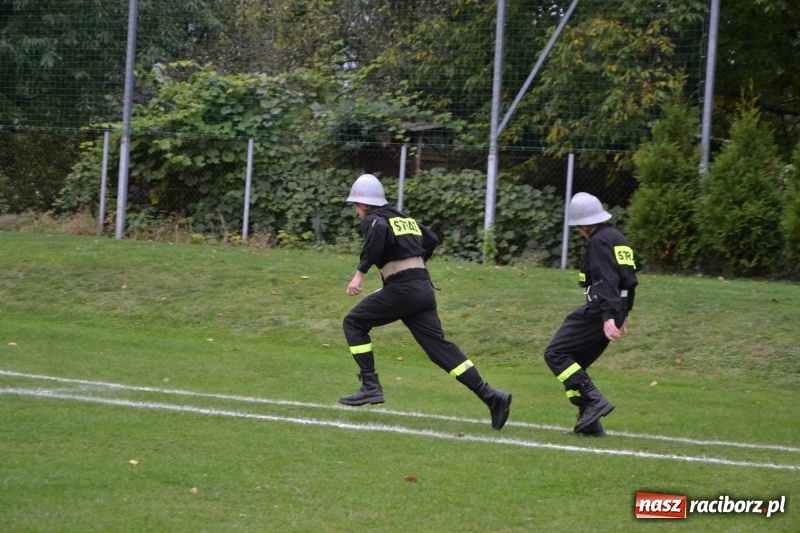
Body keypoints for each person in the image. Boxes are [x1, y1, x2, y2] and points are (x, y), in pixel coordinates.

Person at [340, 173, 512, 430]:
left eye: (356, 205)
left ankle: (370, 385)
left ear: (364, 204)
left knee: (353, 323)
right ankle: (491, 396)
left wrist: (359, 275)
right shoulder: (403, 218)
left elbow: (376, 237)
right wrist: (414, 263)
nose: (356, 211)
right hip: (423, 288)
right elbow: (431, 239)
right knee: (439, 349)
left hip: (403, 289)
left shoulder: (374, 220)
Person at [543, 192, 638, 437]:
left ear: (584, 224)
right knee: (575, 363)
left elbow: (606, 279)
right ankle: (590, 423)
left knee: (556, 353)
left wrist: (608, 315)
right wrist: (623, 313)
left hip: (600, 309)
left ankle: (595, 402)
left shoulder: (599, 241)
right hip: (615, 308)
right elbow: (628, 280)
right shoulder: (618, 238)